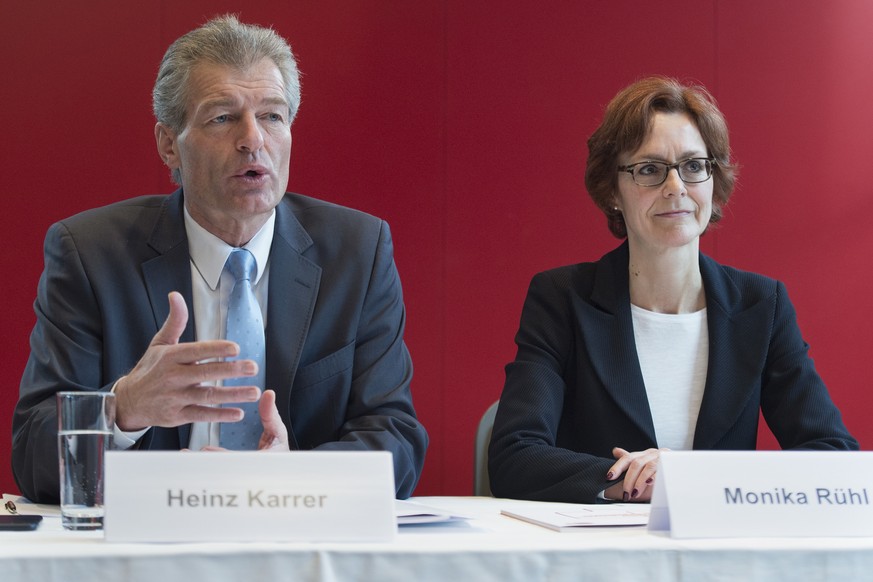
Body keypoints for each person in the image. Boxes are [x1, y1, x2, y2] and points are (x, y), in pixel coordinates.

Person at [12, 15, 427, 502]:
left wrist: (293, 476)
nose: (253, 139)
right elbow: (33, 457)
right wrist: (122, 409)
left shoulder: (358, 251)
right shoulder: (90, 254)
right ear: (169, 144)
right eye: (223, 117)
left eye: (272, 115)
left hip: (298, 542)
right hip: (151, 545)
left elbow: (396, 443)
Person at [488, 76, 858, 504]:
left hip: (720, 561)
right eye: (649, 169)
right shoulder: (562, 298)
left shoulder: (762, 305)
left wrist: (688, 478)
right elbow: (514, 458)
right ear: (612, 190)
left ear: (713, 184)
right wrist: (635, 479)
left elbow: (833, 458)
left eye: (693, 166)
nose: (676, 187)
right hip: (601, 558)